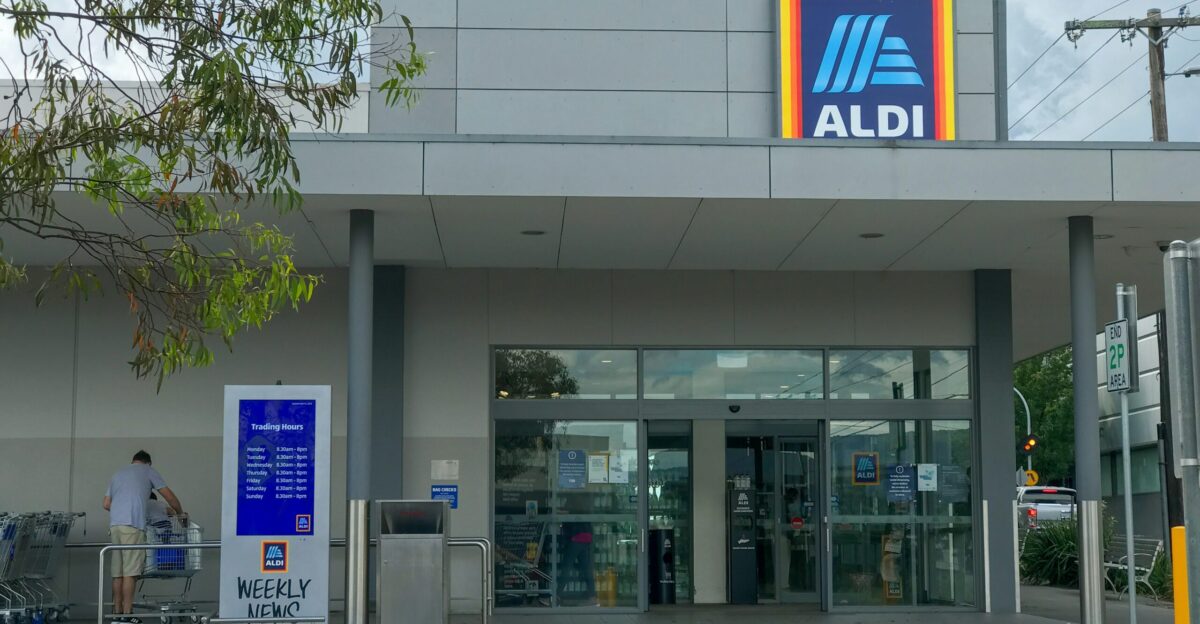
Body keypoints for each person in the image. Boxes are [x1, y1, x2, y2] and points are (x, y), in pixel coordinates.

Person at [103, 450, 183, 622]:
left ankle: (116, 615)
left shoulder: (118, 473)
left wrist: (121, 510)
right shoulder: (148, 471)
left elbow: (106, 504)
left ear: (133, 461)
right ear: (148, 463)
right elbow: (169, 497)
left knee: (117, 573)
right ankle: (127, 615)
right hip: (132, 525)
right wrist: (180, 513)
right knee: (130, 572)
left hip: (115, 525)